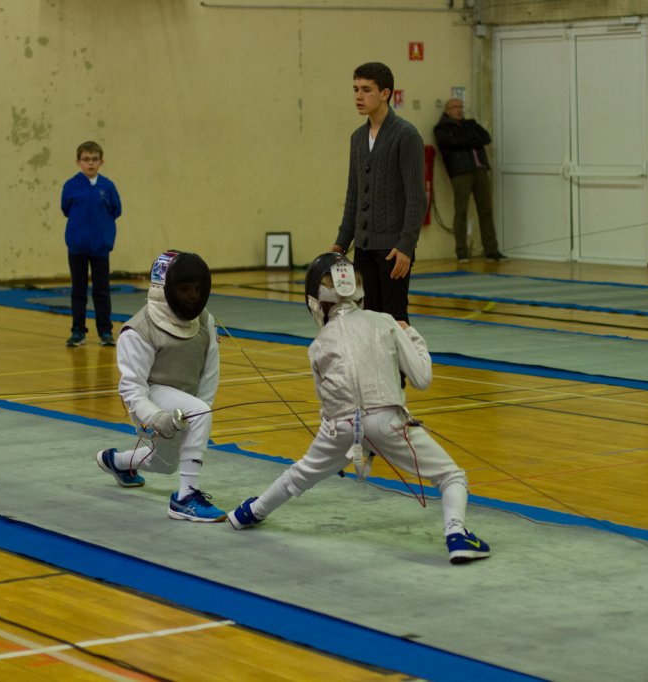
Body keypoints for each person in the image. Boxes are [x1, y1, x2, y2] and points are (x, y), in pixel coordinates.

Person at [227, 253, 490, 565]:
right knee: (451, 477)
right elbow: (422, 379)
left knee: (299, 475)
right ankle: (457, 534)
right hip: (388, 422)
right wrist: (411, 334)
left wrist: (339, 450)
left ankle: (247, 514)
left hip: (339, 428)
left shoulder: (318, 345)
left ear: (316, 300)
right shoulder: (385, 323)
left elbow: (325, 403)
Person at [94, 249, 226, 522]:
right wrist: (155, 417)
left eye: (197, 288)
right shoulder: (138, 330)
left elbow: (209, 374)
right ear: (164, 288)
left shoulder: (204, 321)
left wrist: (199, 413)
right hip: (150, 400)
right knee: (198, 412)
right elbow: (132, 389)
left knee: (165, 464)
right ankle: (185, 498)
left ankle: (116, 462)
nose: (193, 295)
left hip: (183, 404)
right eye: (184, 289)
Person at [332, 61, 426, 324]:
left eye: (366, 90)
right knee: (368, 320)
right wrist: (341, 243)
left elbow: (417, 198)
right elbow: (354, 195)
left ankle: (407, 355)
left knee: (396, 320)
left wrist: (406, 246)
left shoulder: (406, 135)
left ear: (385, 94)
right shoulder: (357, 138)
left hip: (393, 249)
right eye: (355, 89)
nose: (358, 96)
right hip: (363, 247)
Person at [61, 141, 122, 347]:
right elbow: (66, 208)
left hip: (100, 248)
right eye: (86, 159)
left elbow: (116, 210)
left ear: (101, 162)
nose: (90, 163)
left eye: (94, 159)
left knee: (101, 290)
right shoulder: (71, 186)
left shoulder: (108, 186)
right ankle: (78, 331)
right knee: (78, 290)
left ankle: (105, 331)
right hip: (77, 247)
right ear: (78, 162)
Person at [433, 98, 506, 263]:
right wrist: (470, 140)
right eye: (454, 107)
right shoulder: (442, 128)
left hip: (480, 169)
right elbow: (450, 143)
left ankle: (491, 250)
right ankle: (462, 251)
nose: (458, 110)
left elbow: (485, 137)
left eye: (460, 107)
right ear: (447, 111)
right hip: (461, 172)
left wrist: (466, 140)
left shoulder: (470, 124)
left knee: (486, 210)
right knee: (461, 212)